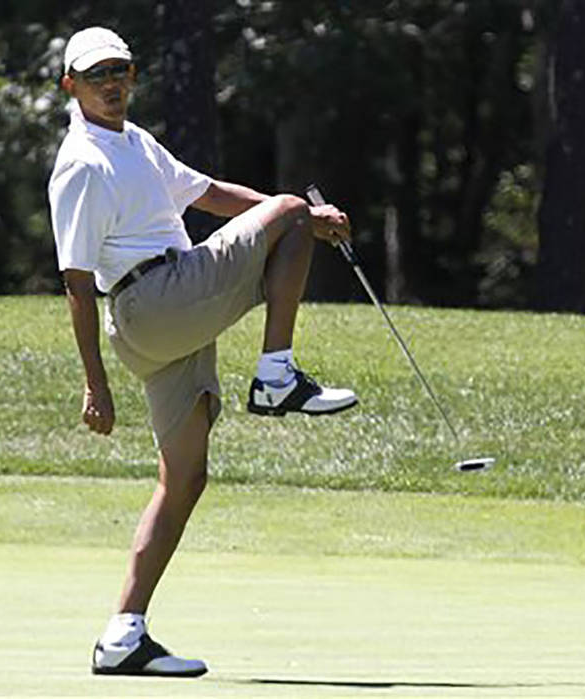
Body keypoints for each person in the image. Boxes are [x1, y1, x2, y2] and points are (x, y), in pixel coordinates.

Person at [48, 26, 358, 678]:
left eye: (121, 71)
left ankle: (123, 632)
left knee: (184, 477)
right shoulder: (82, 164)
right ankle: (276, 374)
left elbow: (211, 194)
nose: (112, 83)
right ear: (70, 85)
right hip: (149, 303)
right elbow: (77, 284)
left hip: (171, 313)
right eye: (97, 74)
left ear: (131, 77)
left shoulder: (135, 143)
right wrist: (93, 385)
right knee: (288, 211)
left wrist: (309, 222)